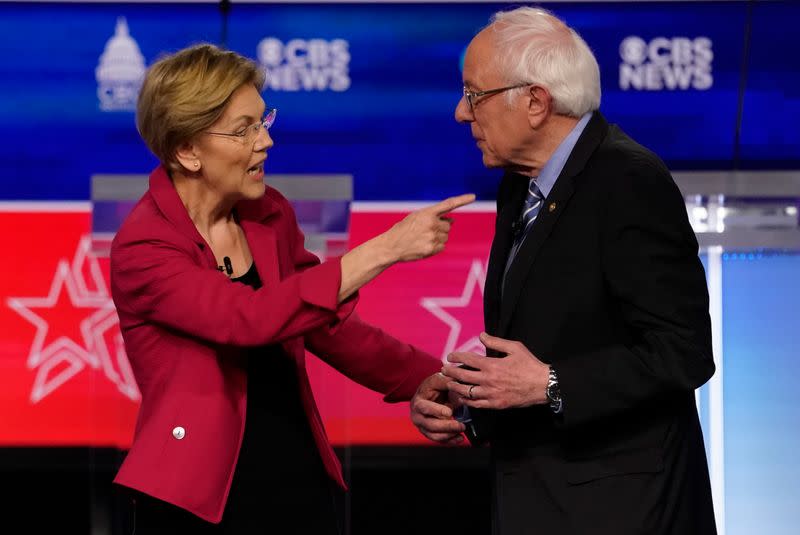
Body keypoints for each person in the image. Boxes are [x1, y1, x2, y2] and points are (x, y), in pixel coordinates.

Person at [110, 43, 474, 534]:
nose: (265, 142)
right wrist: (385, 248)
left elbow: (327, 324)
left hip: (294, 474)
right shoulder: (145, 245)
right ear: (187, 151)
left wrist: (428, 379)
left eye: (263, 121)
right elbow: (248, 320)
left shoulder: (269, 212)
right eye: (244, 130)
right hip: (195, 499)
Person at [410, 7, 717, 534]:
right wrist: (471, 401)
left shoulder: (628, 181)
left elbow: (682, 352)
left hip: (623, 511)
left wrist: (550, 383)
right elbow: (544, 342)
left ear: (534, 101)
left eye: (475, 95)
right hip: (539, 501)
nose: (462, 113)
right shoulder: (521, 183)